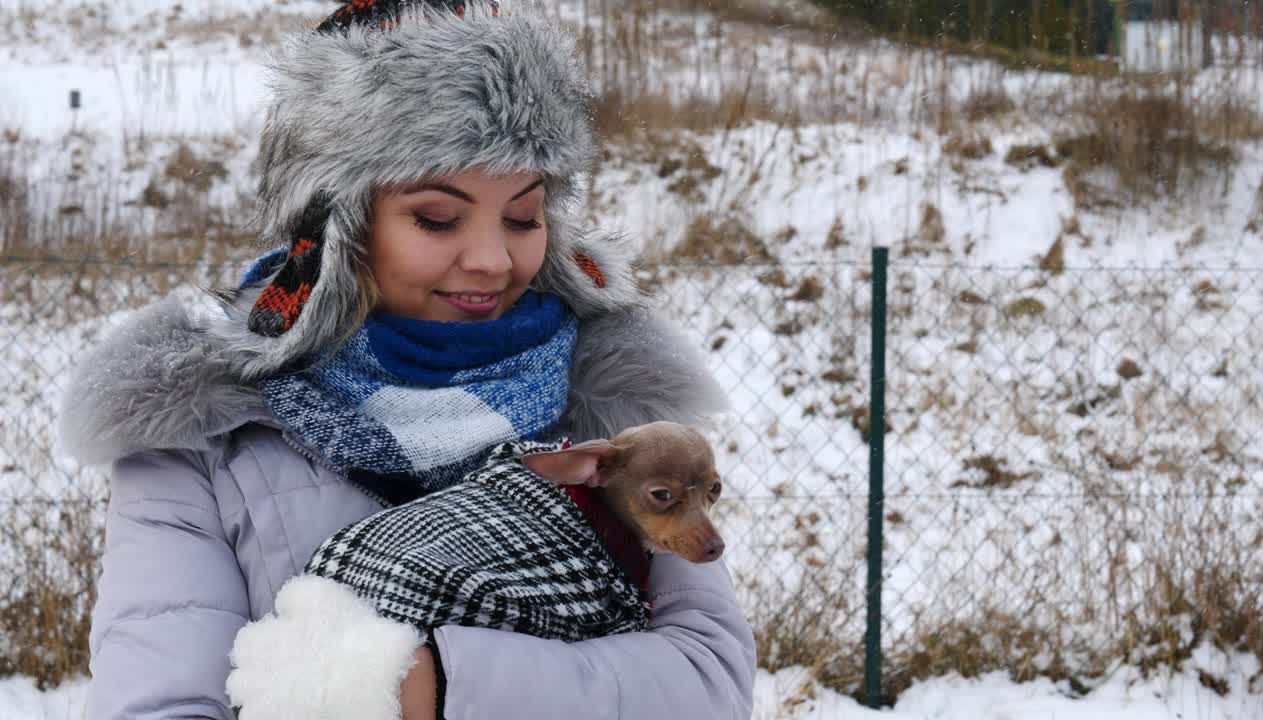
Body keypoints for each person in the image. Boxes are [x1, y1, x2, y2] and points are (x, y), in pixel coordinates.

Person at [57, 1, 756, 719]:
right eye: (437, 217)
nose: (491, 260)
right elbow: (157, 702)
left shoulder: (610, 404)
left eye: (523, 216)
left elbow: (707, 683)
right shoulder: (205, 431)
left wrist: (441, 686)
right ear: (337, 226)